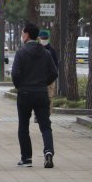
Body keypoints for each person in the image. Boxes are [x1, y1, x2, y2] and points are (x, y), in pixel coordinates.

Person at [11, 22, 57, 168]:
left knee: (23, 126)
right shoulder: (45, 53)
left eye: (22, 33)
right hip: (41, 92)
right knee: (45, 125)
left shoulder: (21, 53)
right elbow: (54, 72)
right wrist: (43, 83)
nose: (22, 36)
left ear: (26, 35)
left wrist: (20, 86)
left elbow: (15, 74)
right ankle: (48, 152)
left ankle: (26, 158)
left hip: (24, 93)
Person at [38, 29, 59, 99]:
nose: (44, 40)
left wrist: (50, 80)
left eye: (45, 38)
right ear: (39, 39)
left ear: (48, 39)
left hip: (49, 81)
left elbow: (56, 66)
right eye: (42, 38)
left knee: (49, 100)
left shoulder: (52, 51)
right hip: (38, 81)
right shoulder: (36, 49)